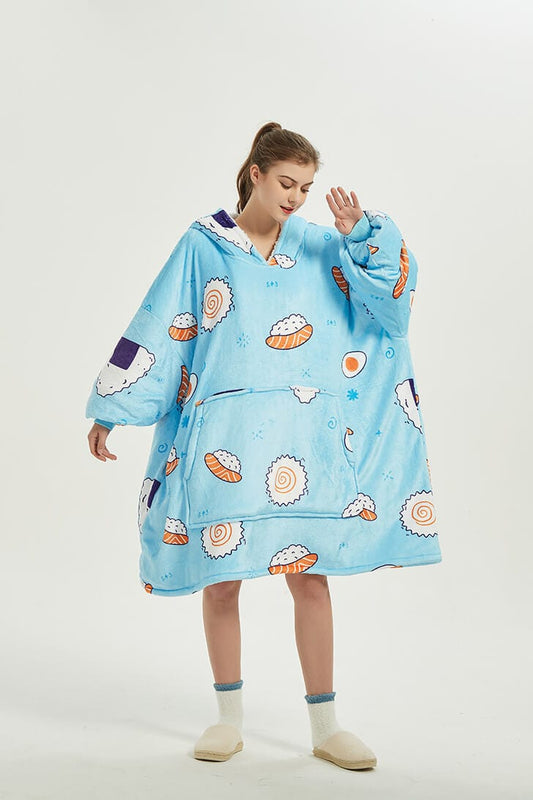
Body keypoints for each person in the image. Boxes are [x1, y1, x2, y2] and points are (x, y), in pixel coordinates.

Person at [86, 121, 442, 770]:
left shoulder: (320, 247)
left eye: (305, 187)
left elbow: (390, 308)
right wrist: (112, 408)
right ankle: (227, 719)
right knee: (221, 581)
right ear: (255, 172)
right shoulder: (203, 245)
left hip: (306, 444)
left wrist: (361, 236)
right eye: (286, 183)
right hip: (224, 442)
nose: (296, 198)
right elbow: (162, 322)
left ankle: (326, 726)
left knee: (310, 578)